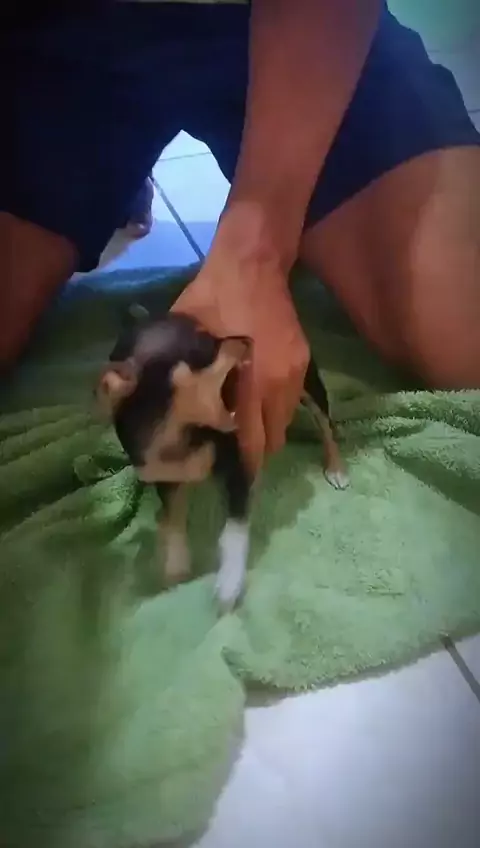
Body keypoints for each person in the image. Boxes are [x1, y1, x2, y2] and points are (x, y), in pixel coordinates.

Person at [2, 1, 479, 474]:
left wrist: (258, 248)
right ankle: (114, 178)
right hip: (51, 34)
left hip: (277, 24)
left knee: (460, 329)